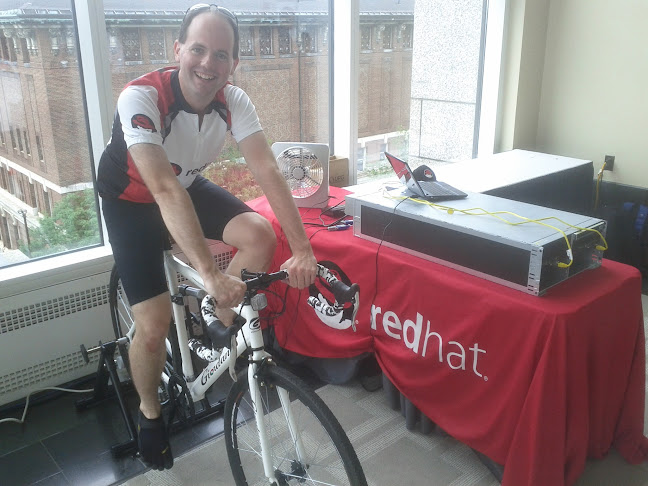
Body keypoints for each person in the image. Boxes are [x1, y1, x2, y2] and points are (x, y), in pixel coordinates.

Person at [96, 4, 317, 470]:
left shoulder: (233, 100)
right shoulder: (142, 97)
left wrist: (303, 249)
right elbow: (161, 189)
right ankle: (149, 413)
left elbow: (268, 170)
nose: (208, 63)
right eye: (198, 49)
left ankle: (215, 321)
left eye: (221, 54)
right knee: (153, 326)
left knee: (260, 235)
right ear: (178, 49)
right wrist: (209, 274)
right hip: (132, 198)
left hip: (185, 184)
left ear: (233, 62)